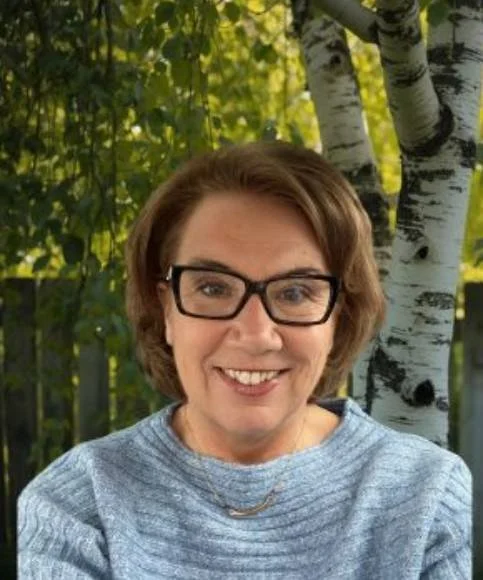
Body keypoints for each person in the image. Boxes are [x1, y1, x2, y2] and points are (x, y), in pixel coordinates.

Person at [18, 142, 471, 579]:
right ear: (166, 310)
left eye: (295, 292)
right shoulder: (78, 505)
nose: (255, 335)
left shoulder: (427, 499)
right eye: (213, 287)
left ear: (339, 315)